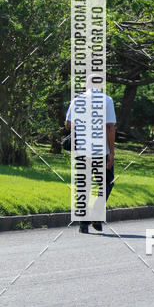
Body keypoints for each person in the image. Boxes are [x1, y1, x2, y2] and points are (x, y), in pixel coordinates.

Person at [65, 78, 116, 234]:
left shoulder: (77, 100)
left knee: (83, 186)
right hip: (101, 151)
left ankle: (83, 224)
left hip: (81, 150)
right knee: (106, 183)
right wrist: (112, 152)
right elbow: (109, 127)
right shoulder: (107, 100)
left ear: (86, 85)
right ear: (100, 86)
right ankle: (96, 214)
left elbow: (68, 123)